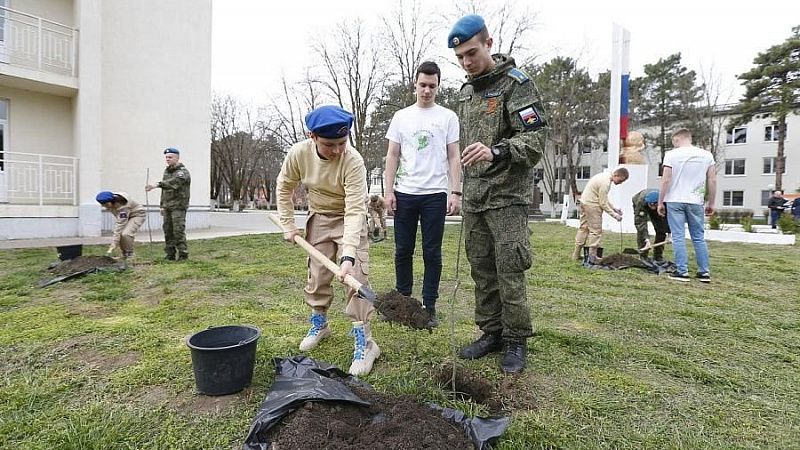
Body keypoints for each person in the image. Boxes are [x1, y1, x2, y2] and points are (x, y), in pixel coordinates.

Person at [448, 15, 546, 374]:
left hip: (507, 196)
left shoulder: (517, 86)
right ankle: (490, 332)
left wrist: (498, 151)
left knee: (509, 267)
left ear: (488, 44)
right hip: (475, 196)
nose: (466, 62)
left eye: (471, 53)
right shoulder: (465, 93)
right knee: (482, 268)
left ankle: (515, 340)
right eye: (460, 57)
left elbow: (535, 140)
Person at [276, 105, 379, 377]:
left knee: (355, 276)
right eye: (330, 145)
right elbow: (284, 186)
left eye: (342, 143)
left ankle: (366, 342)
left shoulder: (353, 161)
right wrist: (288, 224)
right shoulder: (299, 154)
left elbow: (356, 209)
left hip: (348, 216)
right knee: (319, 274)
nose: (337, 151)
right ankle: (320, 323)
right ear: (312, 136)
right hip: (319, 215)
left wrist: (347, 255)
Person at [384, 61, 461, 328]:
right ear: (414, 84)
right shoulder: (401, 117)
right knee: (403, 250)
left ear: (438, 86)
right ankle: (403, 301)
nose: (427, 90)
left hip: (434, 195)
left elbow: (454, 156)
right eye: (423, 85)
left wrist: (455, 191)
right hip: (405, 193)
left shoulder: (448, 117)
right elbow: (392, 155)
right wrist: (388, 192)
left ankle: (429, 306)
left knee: (432, 252)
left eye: (432, 86)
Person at [657, 128, 716, 283]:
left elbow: (666, 180)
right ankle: (704, 272)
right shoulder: (707, 155)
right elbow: (712, 180)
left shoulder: (671, 155)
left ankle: (682, 271)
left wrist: (660, 201)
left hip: (675, 199)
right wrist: (711, 202)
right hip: (696, 201)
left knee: (678, 236)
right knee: (698, 237)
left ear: (676, 140)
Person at [572, 168, 629, 262]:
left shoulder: (603, 176)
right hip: (592, 206)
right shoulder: (605, 183)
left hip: (584, 203)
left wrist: (614, 208)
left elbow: (603, 199)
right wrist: (615, 215)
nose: (620, 183)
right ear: (616, 175)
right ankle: (592, 257)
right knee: (596, 231)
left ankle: (576, 255)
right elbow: (602, 203)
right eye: (620, 180)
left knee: (584, 228)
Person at [145, 148, 191, 261]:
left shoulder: (182, 172)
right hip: (168, 206)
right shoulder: (167, 172)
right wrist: (162, 205)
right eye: (166, 157)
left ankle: (183, 254)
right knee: (167, 230)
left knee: (178, 230)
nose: (167, 159)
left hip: (178, 206)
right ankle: (170, 254)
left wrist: (156, 184)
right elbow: (165, 191)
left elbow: (173, 183)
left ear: (177, 158)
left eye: (170, 157)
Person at [96, 191, 147, 259]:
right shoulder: (114, 201)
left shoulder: (123, 206)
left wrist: (114, 244)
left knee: (126, 234)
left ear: (112, 201)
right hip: (127, 215)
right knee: (120, 234)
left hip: (137, 215)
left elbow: (120, 225)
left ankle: (130, 254)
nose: (104, 206)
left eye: (105, 204)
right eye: (102, 204)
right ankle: (124, 254)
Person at [632, 189, 670, 261]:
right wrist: (646, 239)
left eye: (654, 205)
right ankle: (643, 255)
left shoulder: (664, 203)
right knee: (641, 230)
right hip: (640, 203)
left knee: (661, 230)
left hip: (659, 206)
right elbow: (640, 223)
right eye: (651, 205)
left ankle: (658, 256)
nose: (652, 208)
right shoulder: (641, 202)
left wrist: (669, 234)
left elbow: (666, 218)